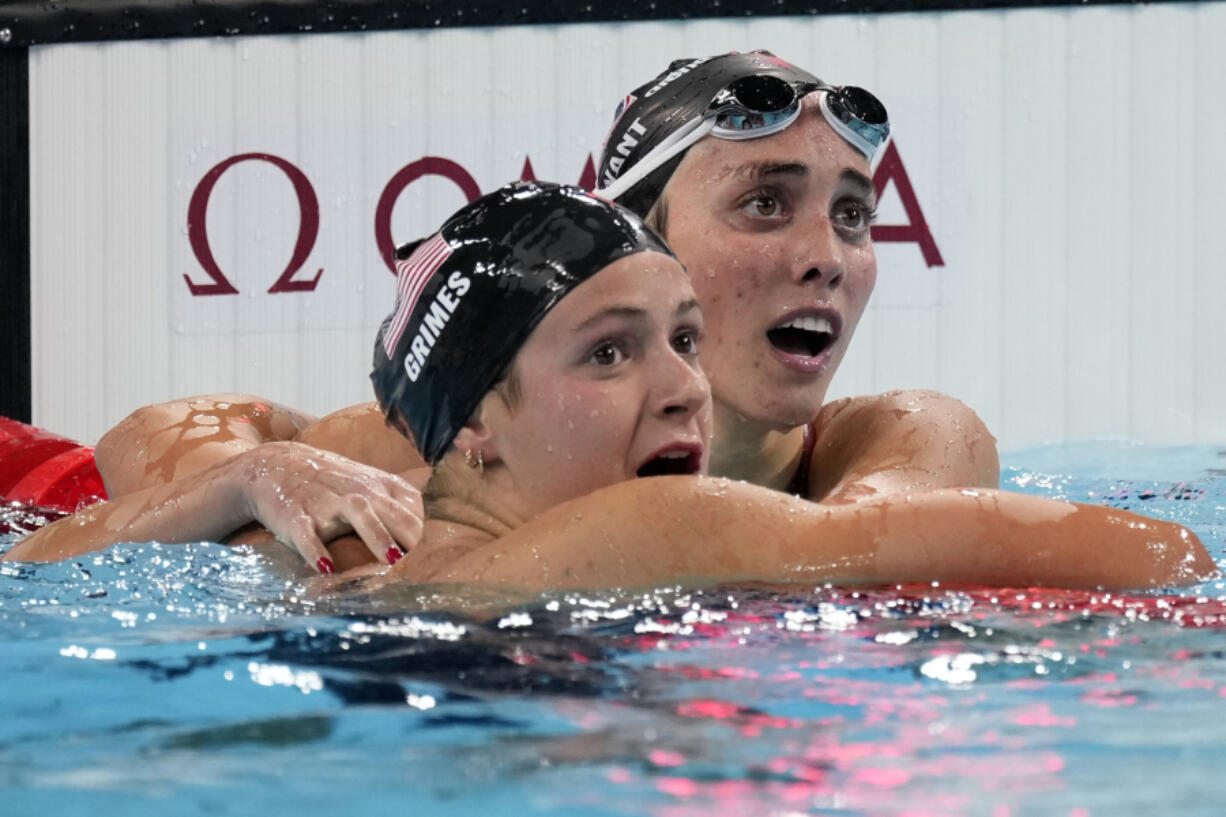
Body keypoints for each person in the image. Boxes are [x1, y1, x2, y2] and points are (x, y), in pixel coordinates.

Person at [8, 183, 1209, 594]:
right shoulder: (650, 526)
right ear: (471, 422)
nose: (685, 387)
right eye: (607, 351)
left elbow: (48, 564)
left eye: (679, 337)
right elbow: (1157, 560)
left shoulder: (335, 546)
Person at [85, 51, 996, 570]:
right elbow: (150, 435)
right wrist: (259, 474)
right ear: (637, 240)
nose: (824, 258)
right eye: (764, 203)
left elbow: (864, 559)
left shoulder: (905, 441)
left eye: (852, 215)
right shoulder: (454, 452)